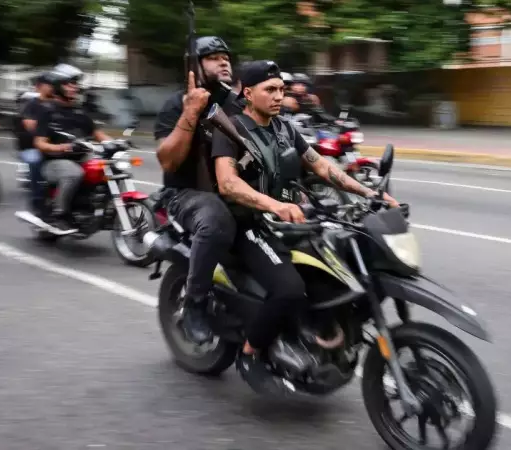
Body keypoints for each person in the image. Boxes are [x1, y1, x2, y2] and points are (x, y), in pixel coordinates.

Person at [211, 60, 399, 393]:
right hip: (247, 224)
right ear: (247, 91)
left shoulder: (285, 129)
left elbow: (323, 168)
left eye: (281, 89)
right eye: (270, 90)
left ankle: (320, 333)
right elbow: (227, 184)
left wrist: (371, 192)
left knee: (340, 266)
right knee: (289, 289)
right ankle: (249, 353)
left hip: (286, 220)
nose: (278, 96)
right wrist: (275, 205)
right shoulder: (230, 130)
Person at [153, 36, 242, 344]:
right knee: (216, 220)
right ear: (194, 66)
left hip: (235, 189)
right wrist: (191, 112)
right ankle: (195, 305)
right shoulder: (176, 104)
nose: (224, 61)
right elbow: (168, 161)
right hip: (187, 195)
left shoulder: (236, 103)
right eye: (213, 57)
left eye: (226, 56)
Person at [33, 63, 113, 233]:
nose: (74, 87)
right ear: (58, 86)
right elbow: (40, 143)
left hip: (81, 157)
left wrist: (115, 143)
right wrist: (63, 147)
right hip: (53, 162)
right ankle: (59, 215)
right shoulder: (47, 111)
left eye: (75, 84)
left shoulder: (79, 112)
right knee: (73, 173)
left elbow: (97, 133)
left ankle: (101, 207)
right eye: (68, 83)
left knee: (109, 167)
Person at [18, 73, 55, 213]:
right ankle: (37, 199)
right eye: (49, 84)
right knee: (35, 161)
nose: (52, 87)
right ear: (39, 87)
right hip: (33, 146)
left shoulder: (57, 104)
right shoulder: (32, 105)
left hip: (56, 144)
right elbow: (30, 126)